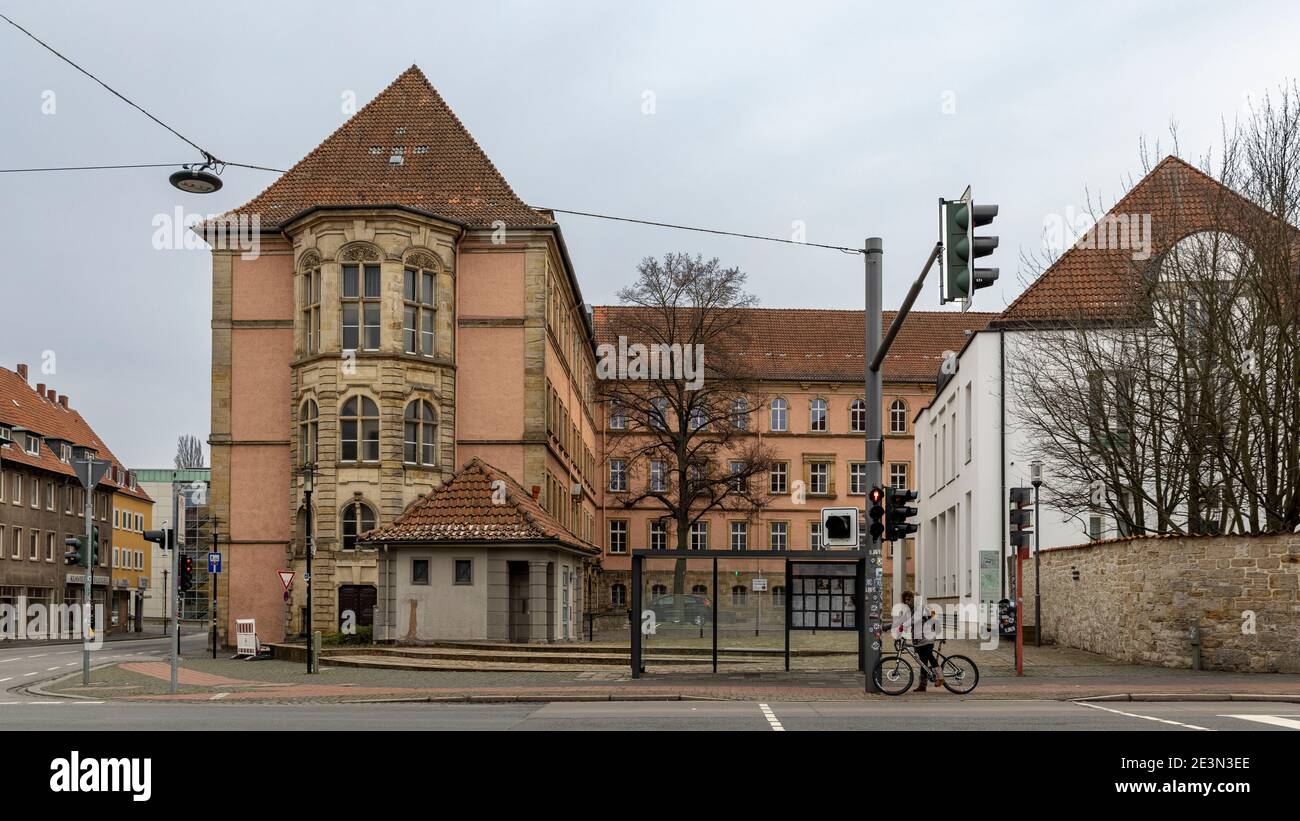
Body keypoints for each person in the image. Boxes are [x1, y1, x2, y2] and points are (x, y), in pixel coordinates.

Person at [896, 590, 943, 692]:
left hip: (927, 637)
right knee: (923, 663)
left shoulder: (921, 608)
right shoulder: (910, 610)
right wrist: (887, 627)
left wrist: (903, 626)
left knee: (928, 655)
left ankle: (940, 676)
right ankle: (922, 685)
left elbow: (913, 620)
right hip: (919, 640)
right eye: (906, 600)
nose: (907, 602)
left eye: (909, 599)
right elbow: (902, 620)